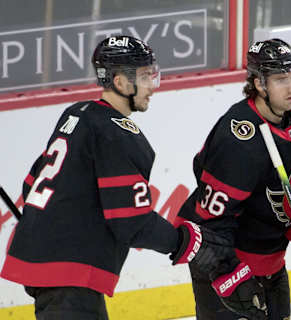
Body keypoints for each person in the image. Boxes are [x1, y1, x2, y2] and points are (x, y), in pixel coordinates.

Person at [0, 35, 222, 320]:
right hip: (70, 272)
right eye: (144, 76)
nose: (152, 86)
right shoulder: (117, 134)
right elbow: (131, 219)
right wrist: (184, 241)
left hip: (50, 266)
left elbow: (31, 184)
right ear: (120, 82)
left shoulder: (76, 114)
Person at [173, 38, 291, 319]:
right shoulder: (238, 140)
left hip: (271, 256)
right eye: (281, 79)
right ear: (259, 84)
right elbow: (209, 222)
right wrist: (230, 275)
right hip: (229, 261)